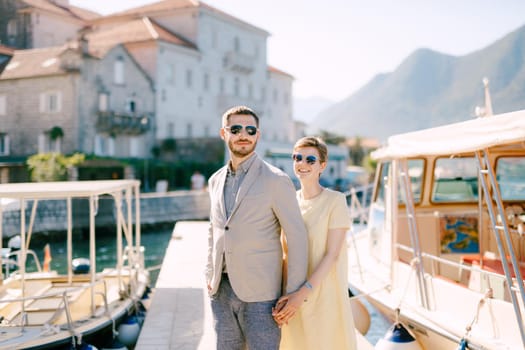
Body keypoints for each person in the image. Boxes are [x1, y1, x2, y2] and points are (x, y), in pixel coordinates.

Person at [206, 105, 309, 350]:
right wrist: (209, 272)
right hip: (220, 292)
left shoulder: (277, 180)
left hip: (262, 297)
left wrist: (293, 293)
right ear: (224, 133)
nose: (244, 135)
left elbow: (297, 237)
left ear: (258, 135)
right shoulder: (214, 180)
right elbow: (215, 229)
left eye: (250, 130)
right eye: (236, 129)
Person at [273, 136, 357, 349]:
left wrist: (303, 294)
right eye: (297, 158)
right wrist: (285, 297)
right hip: (292, 297)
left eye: (310, 160)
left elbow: (332, 255)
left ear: (322, 166)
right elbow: (284, 253)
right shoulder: (289, 202)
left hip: (323, 294)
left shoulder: (335, 201)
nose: (302, 164)